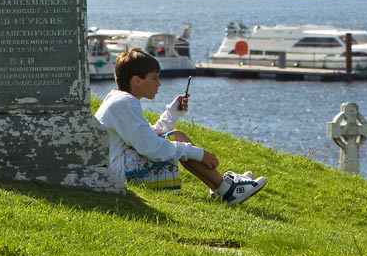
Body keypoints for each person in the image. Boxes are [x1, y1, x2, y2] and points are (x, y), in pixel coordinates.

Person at [95, 48, 267, 205]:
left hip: (114, 168)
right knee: (177, 138)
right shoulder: (125, 104)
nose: (159, 84)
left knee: (176, 137)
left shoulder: (118, 100)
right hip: (118, 175)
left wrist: (172, 113)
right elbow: (152, 148)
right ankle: (227, 189)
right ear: (137, 81)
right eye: (154, 78)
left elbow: (147, 137)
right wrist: (198, 153)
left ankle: (223, 188)